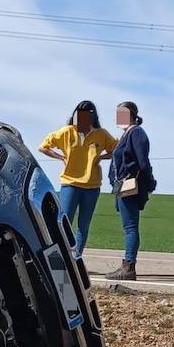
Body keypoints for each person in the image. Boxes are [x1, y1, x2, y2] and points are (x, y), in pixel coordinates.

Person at [38, 100, 117, 257]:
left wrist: (101, 157)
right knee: (64, 222)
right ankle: (62, 255)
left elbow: (116, 149)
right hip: (70, 183)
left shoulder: (101, 134)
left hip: (92, 186)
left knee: (84, 225)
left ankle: (77, 256)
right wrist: (61, 157)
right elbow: (43, 147)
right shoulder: (67, 132)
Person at [105, 101, 155, 281]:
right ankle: (127, 266)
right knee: (129, 226)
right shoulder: (126, 135)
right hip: (122, 186)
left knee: (130, 227)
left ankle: (128, 268)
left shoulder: (136, 133)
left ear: (132, 114)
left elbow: (143, 162)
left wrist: (149, 184)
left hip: (131, 186)